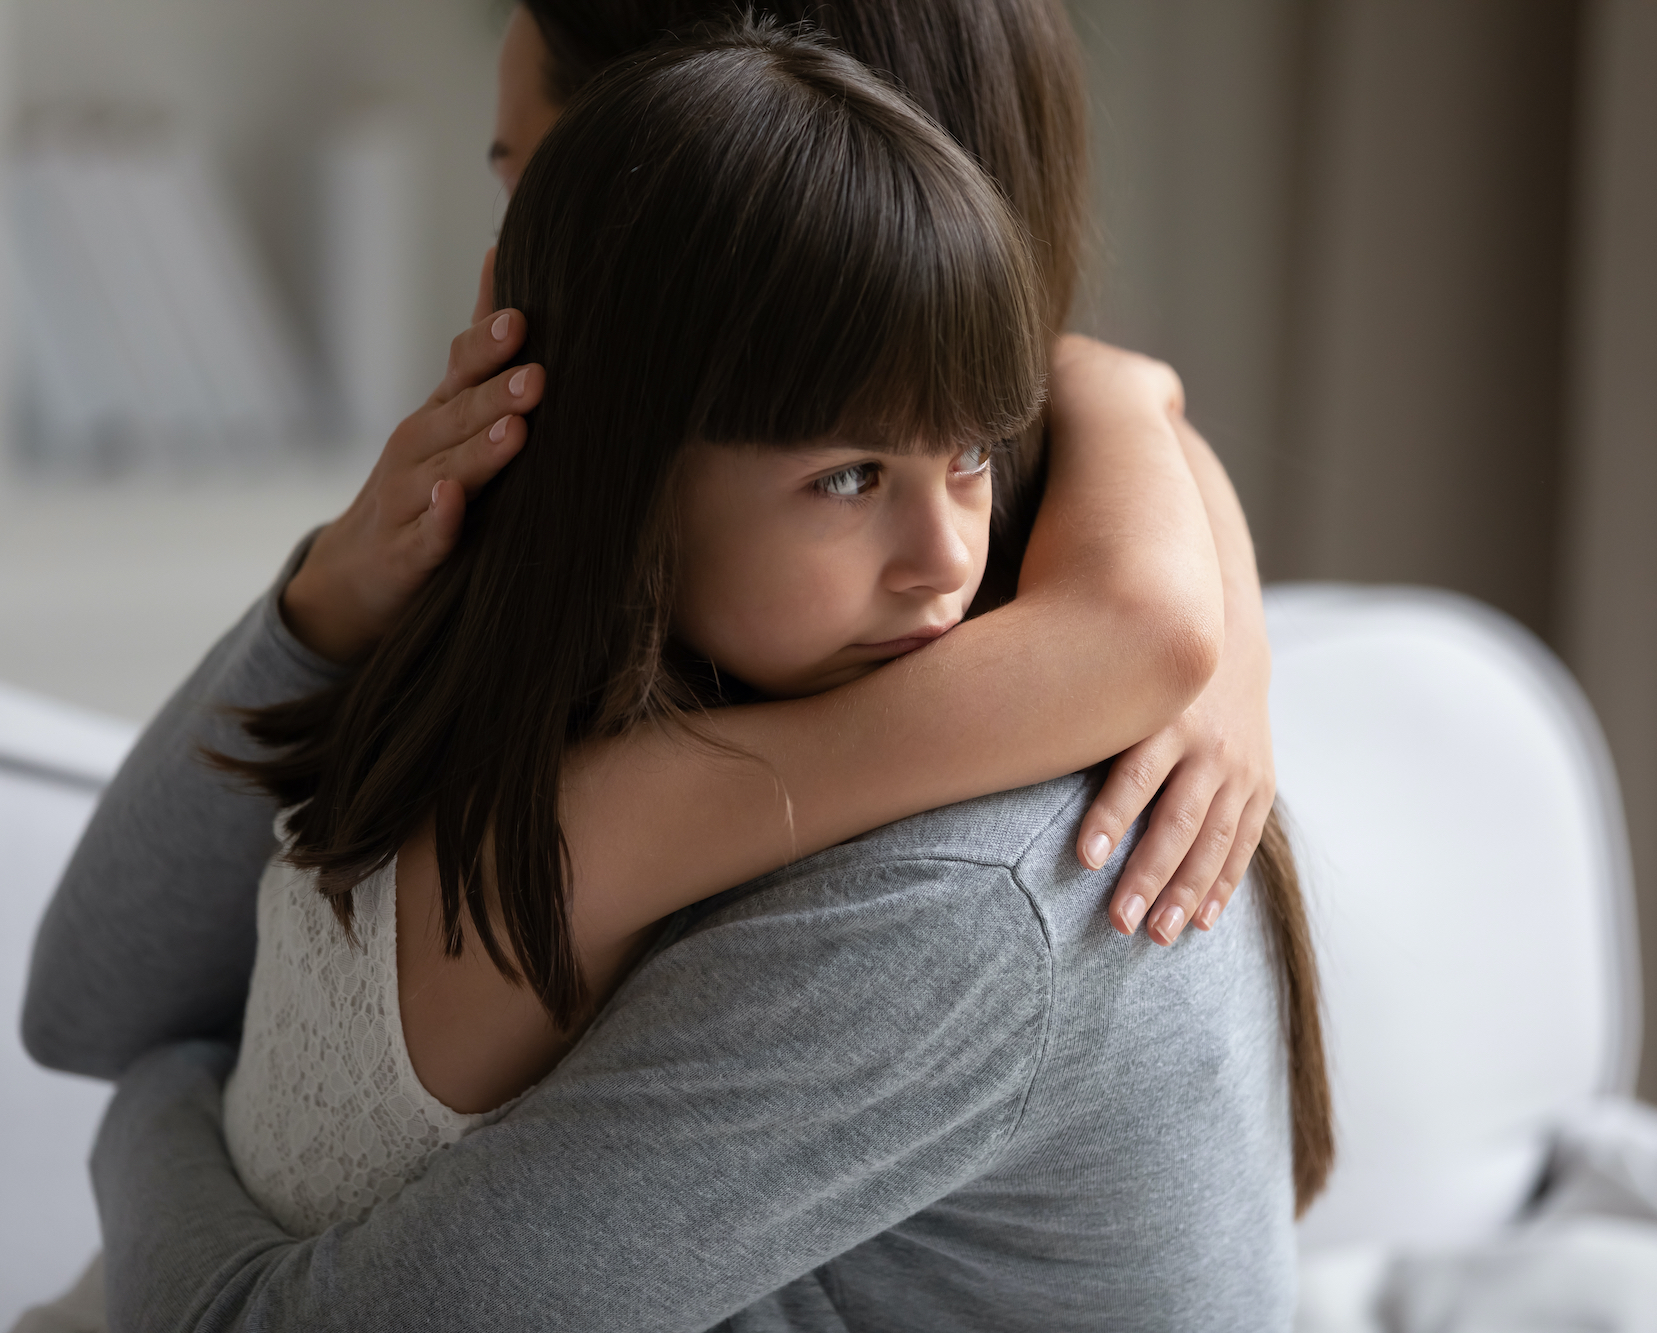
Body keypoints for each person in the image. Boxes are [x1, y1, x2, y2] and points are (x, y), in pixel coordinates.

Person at [69, 26, 1325, 1329]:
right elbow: (90, 999)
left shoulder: (955, 885)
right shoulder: (629, 730)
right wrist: (328, 594)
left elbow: (134, 1059)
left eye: (547, 187)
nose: (509, 289)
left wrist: (157, 1106)